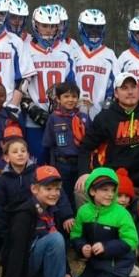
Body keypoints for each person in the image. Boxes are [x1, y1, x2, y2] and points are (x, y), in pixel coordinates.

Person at [1, 166, 87, 277]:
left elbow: (60, 249)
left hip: (44, 265)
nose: (54, 193)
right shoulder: (24, 214)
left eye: (57, 189)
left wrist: (66, 272)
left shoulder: (53, 210)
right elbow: (16, 250)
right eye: (48, 189)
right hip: (25, 265)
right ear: (34, 189)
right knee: (55, 238)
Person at [76, 73, 139, 196]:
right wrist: (84, 173)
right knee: (79, 190)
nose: (130, 92)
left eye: (133, 87)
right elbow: (86, 148)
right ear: (116, 94)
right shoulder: (104, 118)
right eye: (124, 88)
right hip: (112, 184)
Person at [70, 168, 139, 277]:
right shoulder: (83, 212)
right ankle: (104, 276)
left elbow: (132, 241)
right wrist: (82, 247)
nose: (110, 194)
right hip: (95, 262)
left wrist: (106, 247)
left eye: (113, 190)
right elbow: (76, 235)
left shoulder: (121, 213)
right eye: (105, 190)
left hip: (117, 263)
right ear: (92, 191)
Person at [21, 5, 76, 163]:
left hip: (61, 117)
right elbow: (21, 85)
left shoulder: (67, 50)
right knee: (37, 165)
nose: (49, 30)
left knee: (61, 165)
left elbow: (72, 85)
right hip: (35, 119)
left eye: (53, 26)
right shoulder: (26, 49)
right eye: (45, 25)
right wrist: (30, 107)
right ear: (36, 25)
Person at [41, 81, 90, 214]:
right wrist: (51, 166)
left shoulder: (83, 118)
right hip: (62, 164)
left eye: (74, 97)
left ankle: (80, 227)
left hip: (80, 164)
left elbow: (90, 143)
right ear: (58, 99)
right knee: (62, 196)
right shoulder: (54, 118)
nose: (70, 100)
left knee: (80, 196)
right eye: (66, 96)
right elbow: (49, 145)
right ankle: (64, 225)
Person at [73, 9, 117, 119]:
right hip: (75, 114)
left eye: (98, 28)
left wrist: (107, 108)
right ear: (81, 27)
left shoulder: (109, 55)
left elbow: (116, 85)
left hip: (100, 114)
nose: (94, 31)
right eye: (90, 27)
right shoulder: (74, 53)